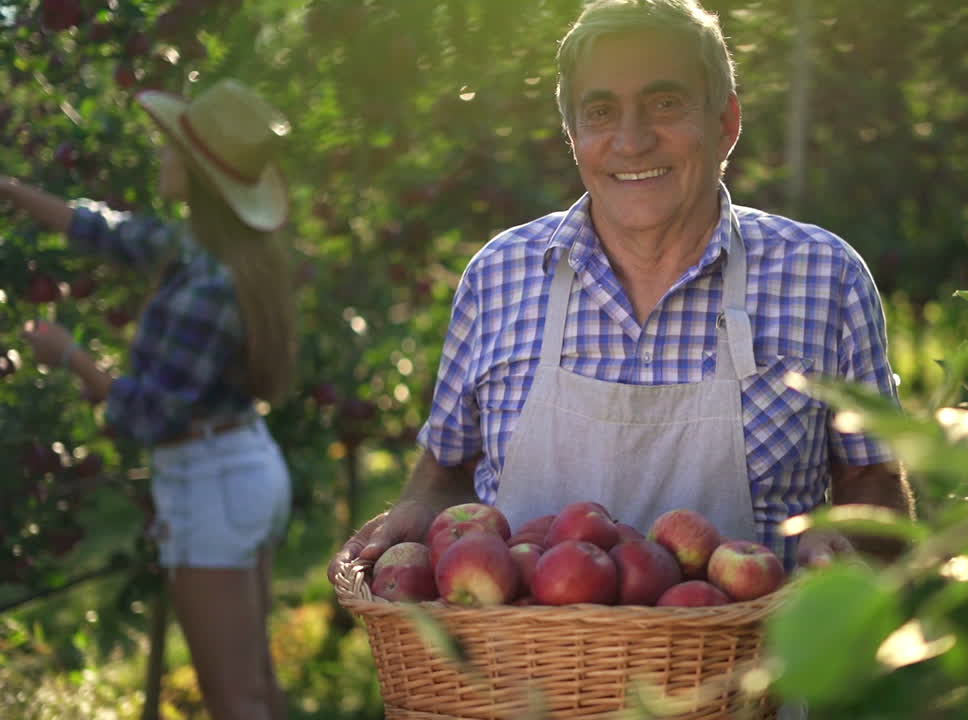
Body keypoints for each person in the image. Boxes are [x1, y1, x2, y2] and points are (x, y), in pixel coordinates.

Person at [330, 0, 911, 583]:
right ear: (573, 136)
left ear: (726, 124)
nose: (631, 141)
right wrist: (414, 513)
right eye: (601, 111)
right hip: (520, 669)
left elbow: (872, 482)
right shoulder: (499, 276)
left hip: (754, 667)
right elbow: (447, 469)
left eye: (665, 104)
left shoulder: (824, 277)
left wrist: (854, 547)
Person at [5, 78, 294, 720]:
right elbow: (107, 232)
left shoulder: (206, 285)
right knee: (256, 683)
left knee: (232, 697)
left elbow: (151, 416)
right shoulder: (207, 251)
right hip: (242, 467)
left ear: (192, 173)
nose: (160, 156)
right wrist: (13, 191)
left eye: (171, 150)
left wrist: (70, 355)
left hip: (211, 483)